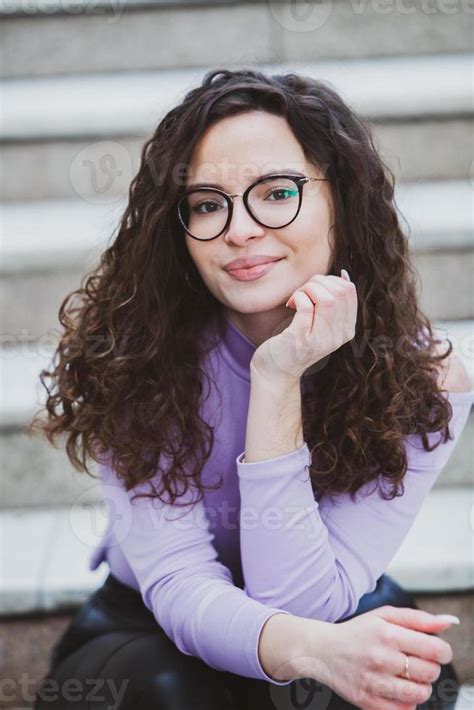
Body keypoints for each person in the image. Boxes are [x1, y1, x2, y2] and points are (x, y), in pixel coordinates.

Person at [30, 68, 473, 709]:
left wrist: (277, 377)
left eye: (275, 192)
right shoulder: (138, 359)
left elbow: (299, 604)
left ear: (341, 204)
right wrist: (277, 371)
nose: (239, 229)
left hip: (325, 599)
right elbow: (183, 587)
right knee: (175, 693)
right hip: (147, 628)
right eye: (208, 203)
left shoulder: (422, 380)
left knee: (382, 691)